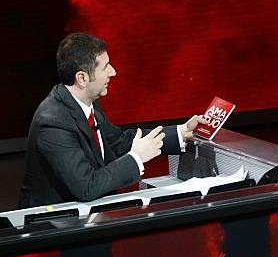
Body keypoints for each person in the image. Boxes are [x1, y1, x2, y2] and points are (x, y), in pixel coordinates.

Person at [20, 32, 208, 208]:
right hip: (52, 229)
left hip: (90, 217)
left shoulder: (86, 103)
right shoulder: (53, 122)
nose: (113, 72)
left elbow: (119, 141)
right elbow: (86, 187)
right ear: (82, 78)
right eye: (105, 67)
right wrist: (136, 158)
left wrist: (182, 132)